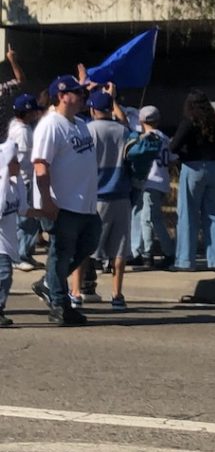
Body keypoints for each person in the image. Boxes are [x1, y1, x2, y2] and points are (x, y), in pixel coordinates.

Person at [30, 75, 101, 326]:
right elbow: (41, 165)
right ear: (62, 96)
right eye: (77, 93)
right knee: (61, 253)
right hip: (62, 204)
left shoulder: (80, 124)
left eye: (82, 93)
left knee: (89, 242)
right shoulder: (51, 125)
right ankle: (59, 305)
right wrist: (46, 200)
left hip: (85, 203)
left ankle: (50, 283)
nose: (82, 97)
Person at [170, 89, 215, 271]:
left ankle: (185, 261)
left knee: (188, 214)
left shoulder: (189, 122)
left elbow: (174, 146)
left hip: (194, 167)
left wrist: (183, 156)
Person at [83, 88, 133, 311]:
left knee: (86, 247)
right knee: (120, 248)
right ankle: (117, 294)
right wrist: (114, 100)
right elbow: (128, 128)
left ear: (93, 109)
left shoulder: (88, 131)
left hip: (97, 195)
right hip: (121, 194)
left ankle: (76, 291)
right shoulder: (122, 131)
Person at [128, 106, 176, 267]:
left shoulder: (146, 137)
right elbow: (172, 159)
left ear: (142, 121)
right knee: (147, 217)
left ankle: (149, 253)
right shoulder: (165, 138)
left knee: (147, 219)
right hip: (161, 180)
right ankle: (142, 250)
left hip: (150, 181)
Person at [7, 93, 43, 271]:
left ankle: (25, 253)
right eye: (34, 111)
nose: (36, 114)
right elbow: (21, 159)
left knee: (26, 219)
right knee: (28, 220)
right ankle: (19, 255)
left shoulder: (16, 125)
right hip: (24, 179)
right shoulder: (22, 132)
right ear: (26, 113)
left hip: (22, 179)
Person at [0, 141, 27, 327]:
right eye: (15, 161)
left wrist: (47, 212)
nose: (19, 165)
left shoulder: (12, 186)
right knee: (4, 275)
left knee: (5, 277)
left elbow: (22, 210)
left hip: (8, 243)